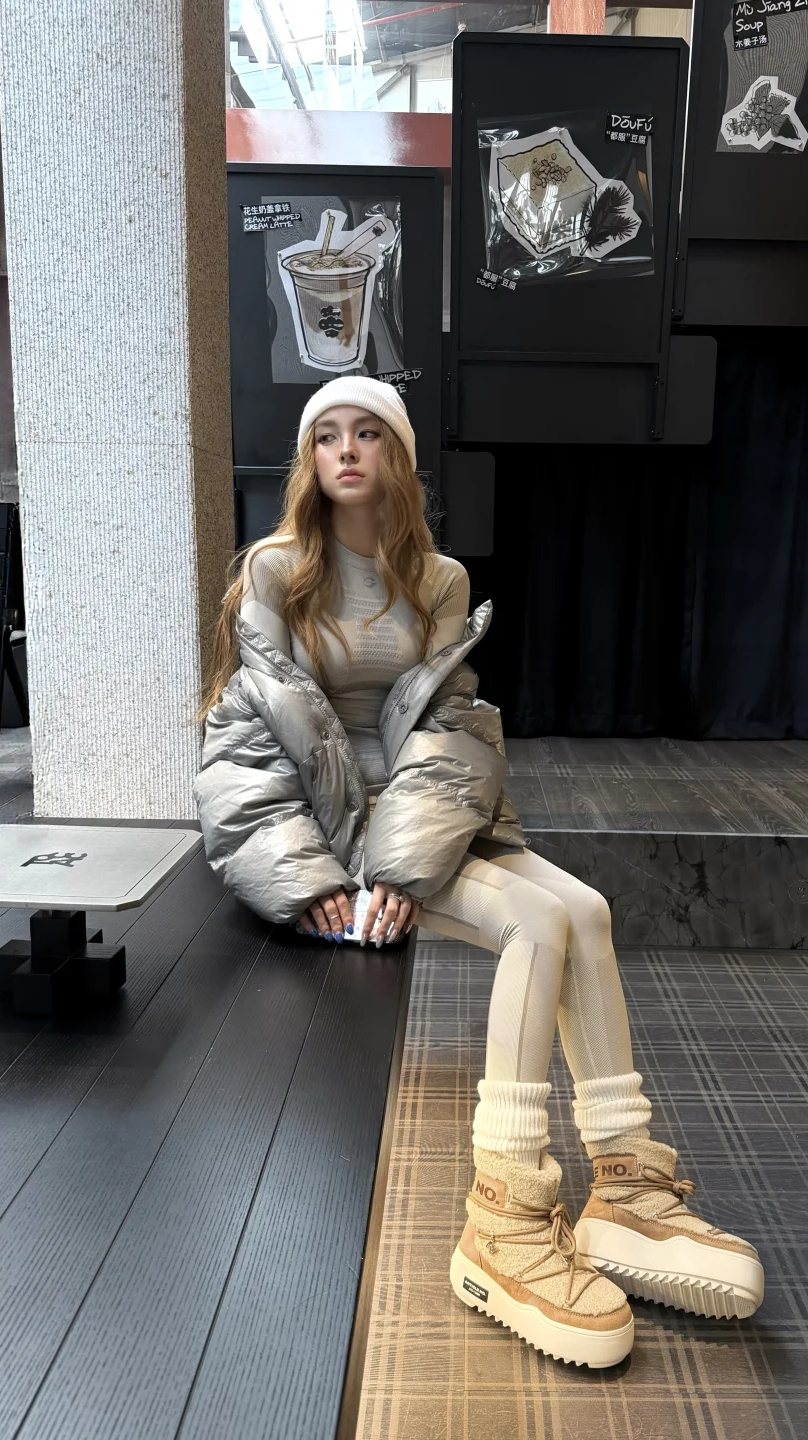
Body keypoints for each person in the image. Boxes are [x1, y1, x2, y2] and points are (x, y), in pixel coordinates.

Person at [194, 377, 764, 1369]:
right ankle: (503, 1215)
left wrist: (413, 854)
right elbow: (244, 738)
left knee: (585, 908)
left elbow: (450, 727)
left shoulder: (440, 579)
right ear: (308, 459)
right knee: (533, 925)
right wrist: (306, 873)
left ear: (399, 455)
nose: (346, 451)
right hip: (327, 831)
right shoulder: (276, 571)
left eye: (368, 433)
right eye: (326, 436)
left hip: (420, 814)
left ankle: (625, 1184)